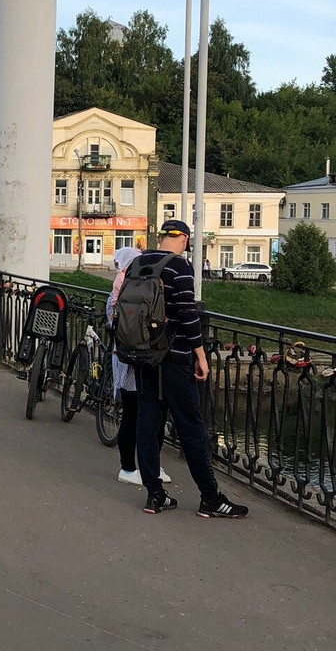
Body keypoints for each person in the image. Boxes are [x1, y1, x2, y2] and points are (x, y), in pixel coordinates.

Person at [134, 220, 248, 518]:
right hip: (174, 358)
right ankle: (210, 498)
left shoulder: (138, 262)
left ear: (161, 237)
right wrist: (201, 355)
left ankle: (154, 495)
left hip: (142, 355)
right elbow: (187, 314)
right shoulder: (179, 267)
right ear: (183, 238)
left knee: (148, 424)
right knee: (191, 427)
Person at [107, 246, 169, 487]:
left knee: (133, 414)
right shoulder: (150, 286)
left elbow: (112, 319)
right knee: (151, 415)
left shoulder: (118, 287)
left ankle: (133, 467)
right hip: (149, 356)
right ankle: (136, 467)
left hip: (125, 357)